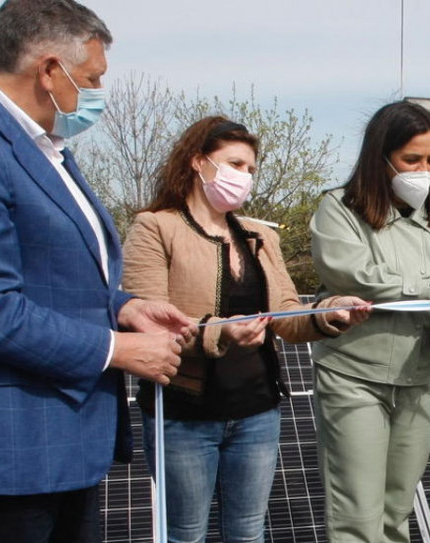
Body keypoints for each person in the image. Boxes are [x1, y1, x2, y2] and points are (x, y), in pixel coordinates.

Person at [0, 1, 197, 542]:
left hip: (63, 429)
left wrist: (125, 305)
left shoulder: (49, 150)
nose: (95, 92)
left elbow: (50, 272)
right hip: (7, 442)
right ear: (49, 70)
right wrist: (115, 349)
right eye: (91, 78)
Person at [121, 115, 370, 543]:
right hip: (184, 414)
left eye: (251, 169)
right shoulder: (154, 228)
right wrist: (222, 333)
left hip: (257, 411)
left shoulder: (259, 236)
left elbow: (287, 315)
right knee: (185, 534)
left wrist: (331, 310)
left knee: (248, 533)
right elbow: (150, 323)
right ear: (199, 163)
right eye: (235, 164)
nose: (245, 177)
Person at [309, 100, 430, 542]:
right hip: (355, 378)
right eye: (412, 159)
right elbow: (354, 276)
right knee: (356, 515)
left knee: (396, 511)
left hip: (417, 379)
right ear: (380, 157)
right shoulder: (339, 210)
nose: (423, 170)